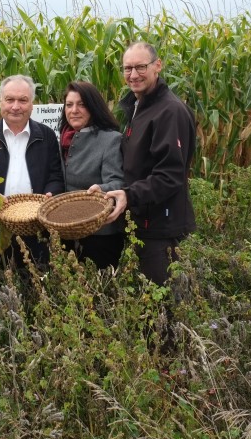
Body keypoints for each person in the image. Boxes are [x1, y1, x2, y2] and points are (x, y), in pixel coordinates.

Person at [103, 42, 197, 285]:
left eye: (140, 67)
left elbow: (170, 176)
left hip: (160, 226)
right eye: (127, 69)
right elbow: (137, 164)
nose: (133, 75)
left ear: (158, 66)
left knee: (160, 302)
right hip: (142, 220)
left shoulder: (169, 111)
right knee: (145, 301)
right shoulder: (138, 106)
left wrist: (129, 195)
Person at [0, 74, 64, 268]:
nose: (16, 106)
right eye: (10, 100)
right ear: (0, 103)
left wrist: (51, 193)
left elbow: (55, 175)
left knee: (37, 283)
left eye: (23, 100)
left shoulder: (46, 135)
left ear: (32, 104)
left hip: (35, 225)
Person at [58, 81, 125, 268]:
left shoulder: (110, 139)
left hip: (100, 235)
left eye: (82, 104)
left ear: (93, 107)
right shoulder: (61, 139)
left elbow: (117, 181)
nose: (74, 110)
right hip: (67, 231)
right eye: (69, 105)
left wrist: (101, 189)